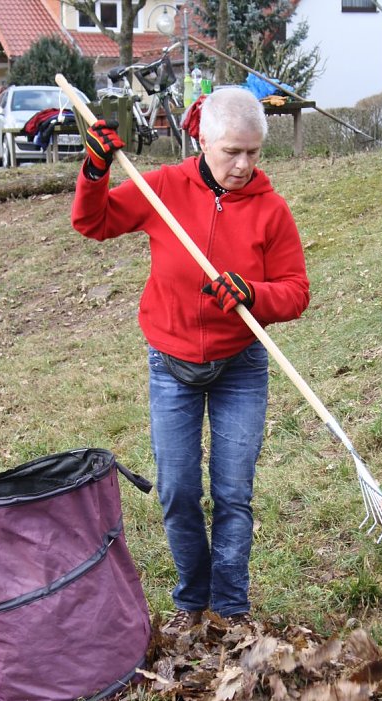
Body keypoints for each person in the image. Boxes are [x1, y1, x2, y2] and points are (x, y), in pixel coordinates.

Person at [71, 86, 309, 634]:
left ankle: (229, 608)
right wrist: (95, 170)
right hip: (171, 364)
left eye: (253, 152)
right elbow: (93, 222)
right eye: (232, 152)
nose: (244, 165)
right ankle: (191, 601)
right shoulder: (162, 189)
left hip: (239, 366)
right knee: (178, 490)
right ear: (203, 141)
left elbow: (296, 291)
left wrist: (252, 293)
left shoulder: (270, 210)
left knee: (233, 493)